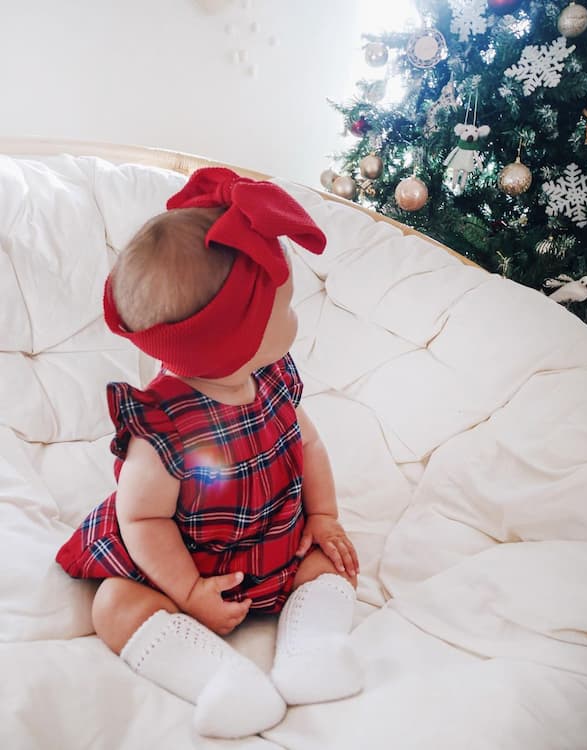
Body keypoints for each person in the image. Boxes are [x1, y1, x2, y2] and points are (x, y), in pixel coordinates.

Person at [56, 167, 363, 738]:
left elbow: (309, 444)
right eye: (285, 307)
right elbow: (142, 517)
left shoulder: (270, 379)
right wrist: (188, 591)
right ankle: (216, 678)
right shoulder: (164, 432)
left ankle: (311, 651)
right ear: (236, 340)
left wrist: (322, 517)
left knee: (333, 563)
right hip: (184, 562)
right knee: (114, 607)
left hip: (272, 538)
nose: (296, 317)